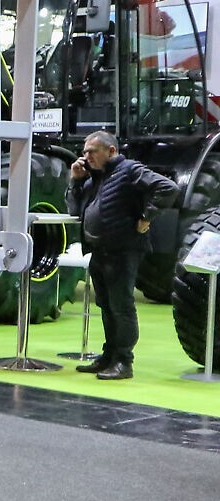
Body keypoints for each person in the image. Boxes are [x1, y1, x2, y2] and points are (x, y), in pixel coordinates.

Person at [68, 130, 178, 381]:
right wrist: (76, 181)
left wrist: (147, 217)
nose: (87, 157)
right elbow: (74, 209)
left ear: (111, 151)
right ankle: (109, 355)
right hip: (99, 251)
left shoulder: (129, 170)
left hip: (123, 250)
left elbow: (167, 188)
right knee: (107, 306)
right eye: (85, 152)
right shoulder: (94, 178)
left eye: (92, 152)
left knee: (121, 307)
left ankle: (124, 361)